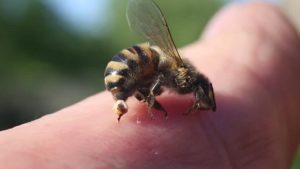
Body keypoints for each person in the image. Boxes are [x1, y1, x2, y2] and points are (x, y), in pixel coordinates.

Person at [0, 2, 299, 169]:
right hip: (132, 66)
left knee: (143, 79)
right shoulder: (180, 71)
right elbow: (163, 78)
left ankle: (121, 97)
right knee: (150, 76)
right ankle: (123, 95)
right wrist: (154, 96)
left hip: (127, 69)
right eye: (200, 92)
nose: (199, 93)